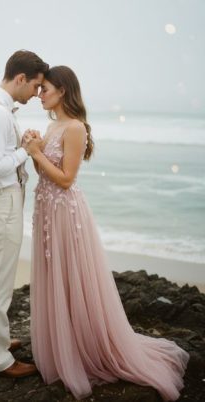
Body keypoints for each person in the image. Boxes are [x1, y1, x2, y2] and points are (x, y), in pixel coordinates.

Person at [26, 65, 189, 400]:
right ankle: (62, 345)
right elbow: (44, 173)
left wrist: (36, 152)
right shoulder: (52, 124)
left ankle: (84, 348)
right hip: (45, 211)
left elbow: (66, 178)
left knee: (71, 277)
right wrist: (36, 148)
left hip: (65, 214)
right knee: (55, 276)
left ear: (63, 91)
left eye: (45, 89)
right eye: (39, 89)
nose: (39, 94)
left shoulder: (74, 127)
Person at [0, 50, 48, 377]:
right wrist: (25, 151)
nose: (37, 94)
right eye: (36, 86)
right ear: (20, 79)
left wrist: (20, 146)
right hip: (1, 202)